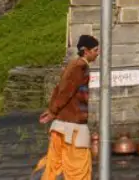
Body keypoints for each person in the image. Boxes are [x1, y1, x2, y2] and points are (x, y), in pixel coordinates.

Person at [33, 35, 99, 180]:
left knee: (58, 165)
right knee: (78, 167)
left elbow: (59, 88)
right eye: (95, 50)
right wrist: (52, 111)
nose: (98, 53)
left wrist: (52, 110)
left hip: (65, 125)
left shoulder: (74, 65)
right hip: (72, 126)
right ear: (86, 51)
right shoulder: (79, 67)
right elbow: (65, 91)